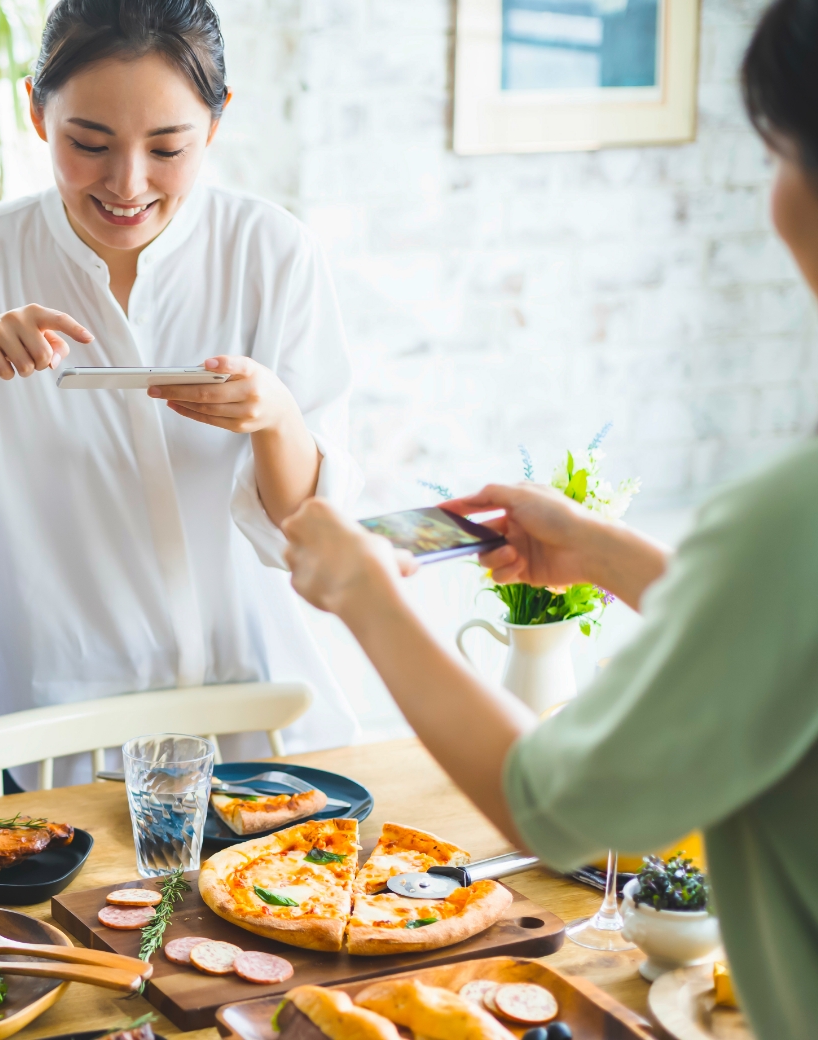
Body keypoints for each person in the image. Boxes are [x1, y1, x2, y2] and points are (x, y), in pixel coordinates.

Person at [279, 1, 818, 1034]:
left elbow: (559, 806)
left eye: (780, 153)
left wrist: (364, 595)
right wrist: (605, 551)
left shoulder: (789, 517)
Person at [0, 0, 363, 786]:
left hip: (268, 728)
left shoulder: (271, 252)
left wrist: (275, 419)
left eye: (168, 148)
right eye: (89, 144)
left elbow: (310, 533)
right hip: (62, 740)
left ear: (217, 121)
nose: (127, 183)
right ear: (37, 113)